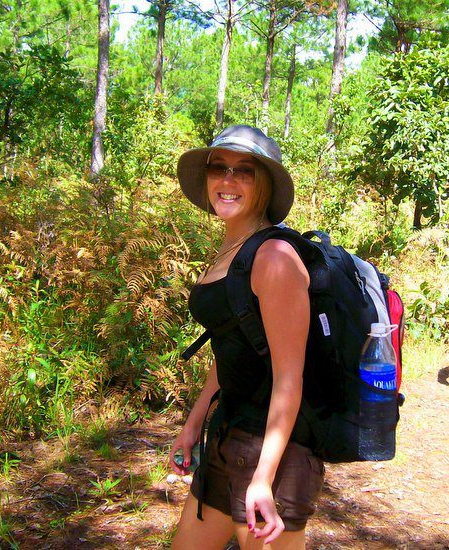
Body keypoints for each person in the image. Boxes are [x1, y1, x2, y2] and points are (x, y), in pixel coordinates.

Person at [170, 125, 324, 550]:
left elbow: (289, 378)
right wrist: (194, 423)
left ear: (265, 184)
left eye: (245, 171)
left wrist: (264, 477)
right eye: (218, 167)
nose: (228, 179)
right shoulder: (232, 249)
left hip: (274, 451)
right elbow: (232, 346)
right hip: (227, 435)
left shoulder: (274, 257)